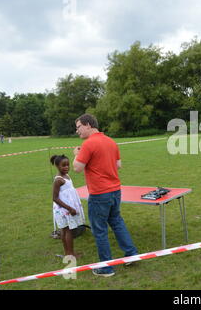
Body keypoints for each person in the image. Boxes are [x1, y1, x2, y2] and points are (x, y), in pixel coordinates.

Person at [73, 113, 137, 277]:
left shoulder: (88, 144)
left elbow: (77, 168)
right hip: (115, 191)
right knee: (116, 221)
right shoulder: (110, 141)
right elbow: (118, 165)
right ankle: (131, 254)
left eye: (78, 127)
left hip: (99, 193)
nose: (77, 131)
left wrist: (76, 155)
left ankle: (106, 268)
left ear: (88, 125)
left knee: (99, 230)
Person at [50, 154, 85, 258]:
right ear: (57, 166)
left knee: (65, 230)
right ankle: (71, 254)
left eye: (67, 165)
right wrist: (69, 208)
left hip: (67, 208)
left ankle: (67, 253)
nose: (66, 167)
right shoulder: (58, 180)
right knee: (68, 231)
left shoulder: (67, 176)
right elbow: (55, 198)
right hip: (64, 209)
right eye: (63, 165)